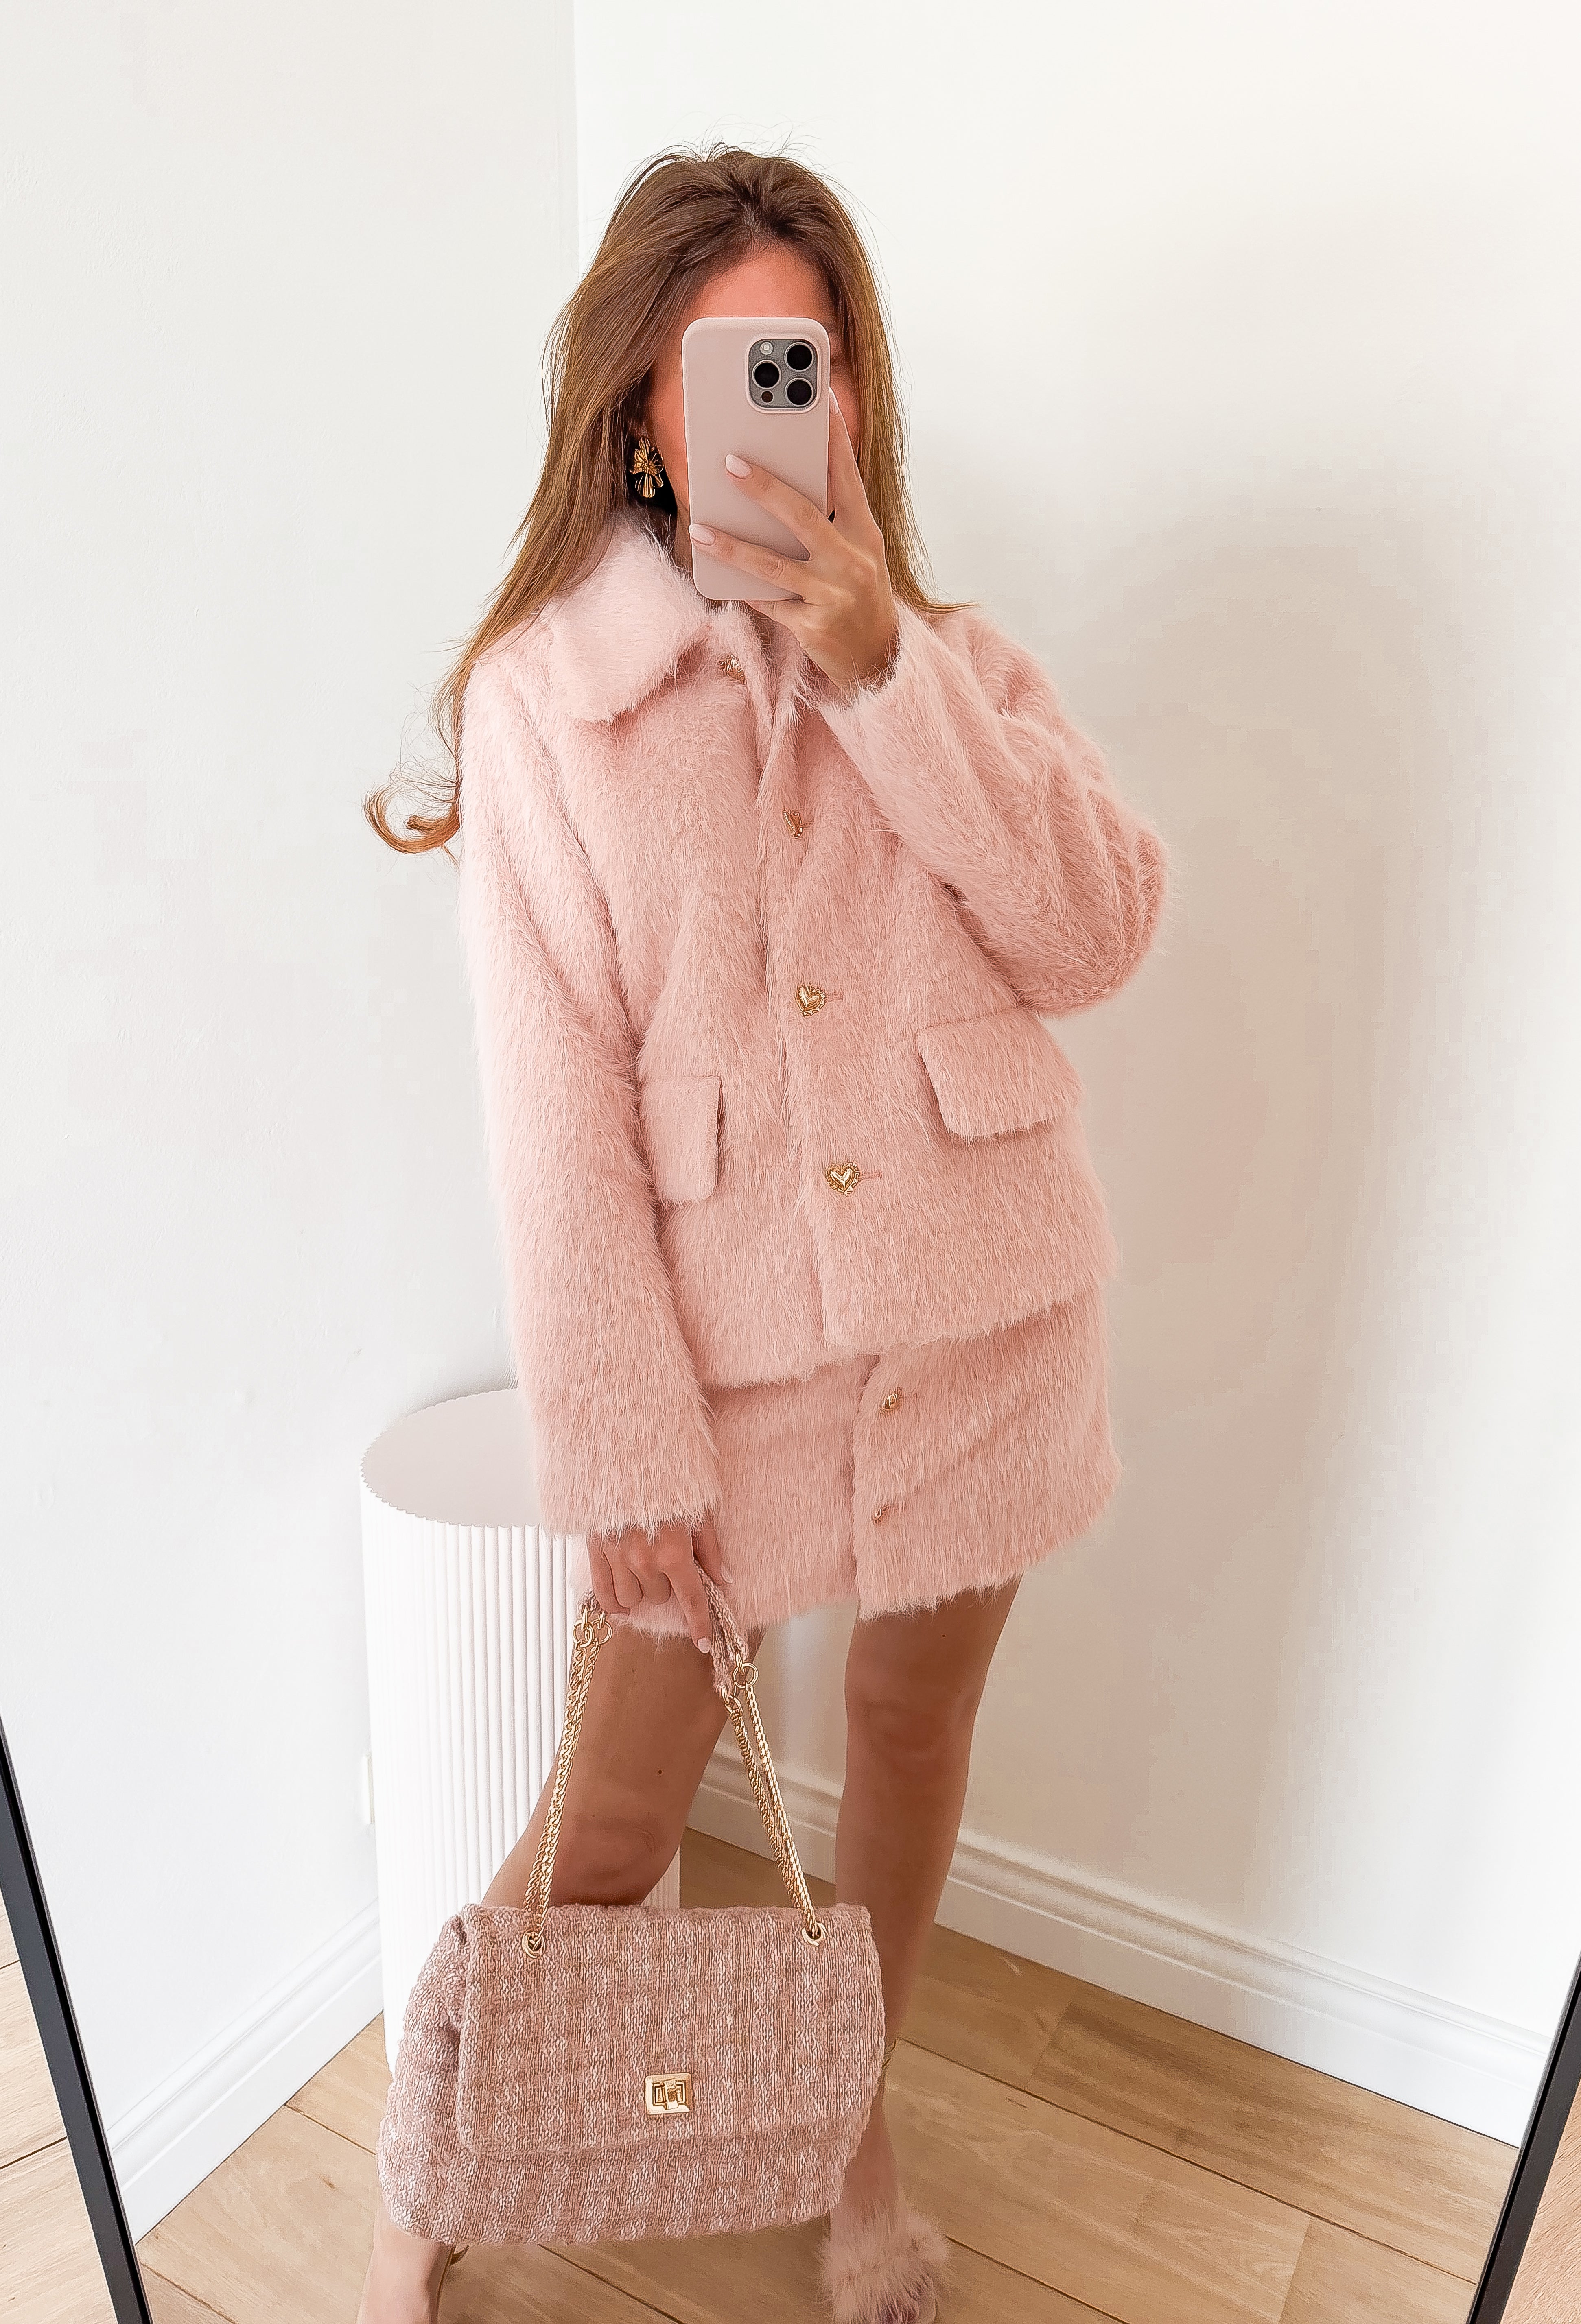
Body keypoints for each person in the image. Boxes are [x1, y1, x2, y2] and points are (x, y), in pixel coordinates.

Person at [359, 142, 1168, 2324]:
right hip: (719, 1380)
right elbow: (554, 1121)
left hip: (984, 1320)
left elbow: (1095, 936)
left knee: (909, 1740)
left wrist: (890, 673)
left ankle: (846, 2149)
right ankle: (431, 2169)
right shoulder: (546, 701)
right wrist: (622, 1456)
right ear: (642, 410)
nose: (770, 409)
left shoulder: (955, 663)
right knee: (615, 1821)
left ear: (854, 389)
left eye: (805, 362)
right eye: (724, 369)